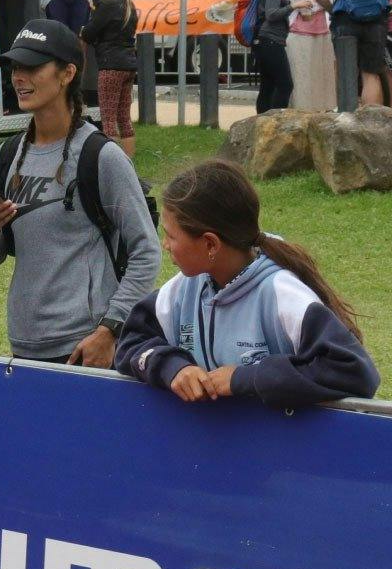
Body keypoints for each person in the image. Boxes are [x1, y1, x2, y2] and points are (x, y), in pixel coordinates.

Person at [115, 160, 375, 408]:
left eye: (171, 236)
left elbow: (355, 372)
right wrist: (173, 367)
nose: (165, 244)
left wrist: (245, 378)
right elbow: (131, 343)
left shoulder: (280, 294)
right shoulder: (183, 289)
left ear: (210, 244)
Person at [0, 20, 159, 367]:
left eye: (31, 67)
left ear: (67, 73)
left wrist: (109, 330)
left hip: (83, 345)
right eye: (15, 67)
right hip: (25, 344)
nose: (18, 77)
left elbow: (147, 252)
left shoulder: (100, 155)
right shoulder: (9, 153)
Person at [81, 0, 139, 156]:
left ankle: (111, 164)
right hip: (128, 66)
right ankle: (129, 164)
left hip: (111, 67)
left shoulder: (107, 5)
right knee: (124, 118)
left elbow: (89, 34)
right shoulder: (130, 7)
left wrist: (89, 22)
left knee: (108, 120)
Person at [284, 0, 337, 111]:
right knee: (302, 76)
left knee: (323, 75)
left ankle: (323, 114)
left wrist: (316, 0)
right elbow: (305, 9)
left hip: (323, 31)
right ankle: (302, 114)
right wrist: (322, 2)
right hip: (301, 33)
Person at [253, 0, 297, 113]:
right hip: (271, 40)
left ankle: (262, 123)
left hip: (264, 40)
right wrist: (293, 6)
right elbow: (271, 14)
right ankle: (275, 123)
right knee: (285, 84)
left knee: (268, 85)